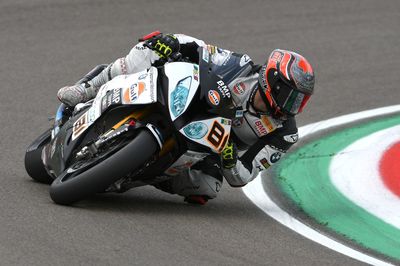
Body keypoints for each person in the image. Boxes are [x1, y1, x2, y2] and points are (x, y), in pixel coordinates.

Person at [57, 31, 315, 205]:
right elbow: (200, 49)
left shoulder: (285, 133)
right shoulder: (241, 66)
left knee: (207, 188)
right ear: (272, 81)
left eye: (300, 101)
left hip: (211, 149)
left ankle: (133, 175)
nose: (293, 106)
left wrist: (229, 158)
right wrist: (171, 43)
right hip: (188, 102)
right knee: (150, 50)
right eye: (291, 96)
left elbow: (243, 176)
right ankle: (87, 88)